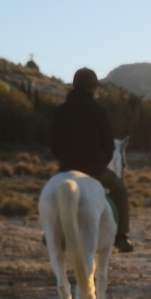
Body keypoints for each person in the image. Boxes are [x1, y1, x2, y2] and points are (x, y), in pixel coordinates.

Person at [51, 68, 133, 252]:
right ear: (93, 88)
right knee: (120, 191)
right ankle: (121, 236)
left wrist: (66, 162)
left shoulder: (60, 111)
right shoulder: (99, 112)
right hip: (94, 170)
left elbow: (54, 146)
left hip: (67, 169)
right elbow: (109, 147)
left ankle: (50, 233)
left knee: (51, 194)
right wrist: (99, 165)